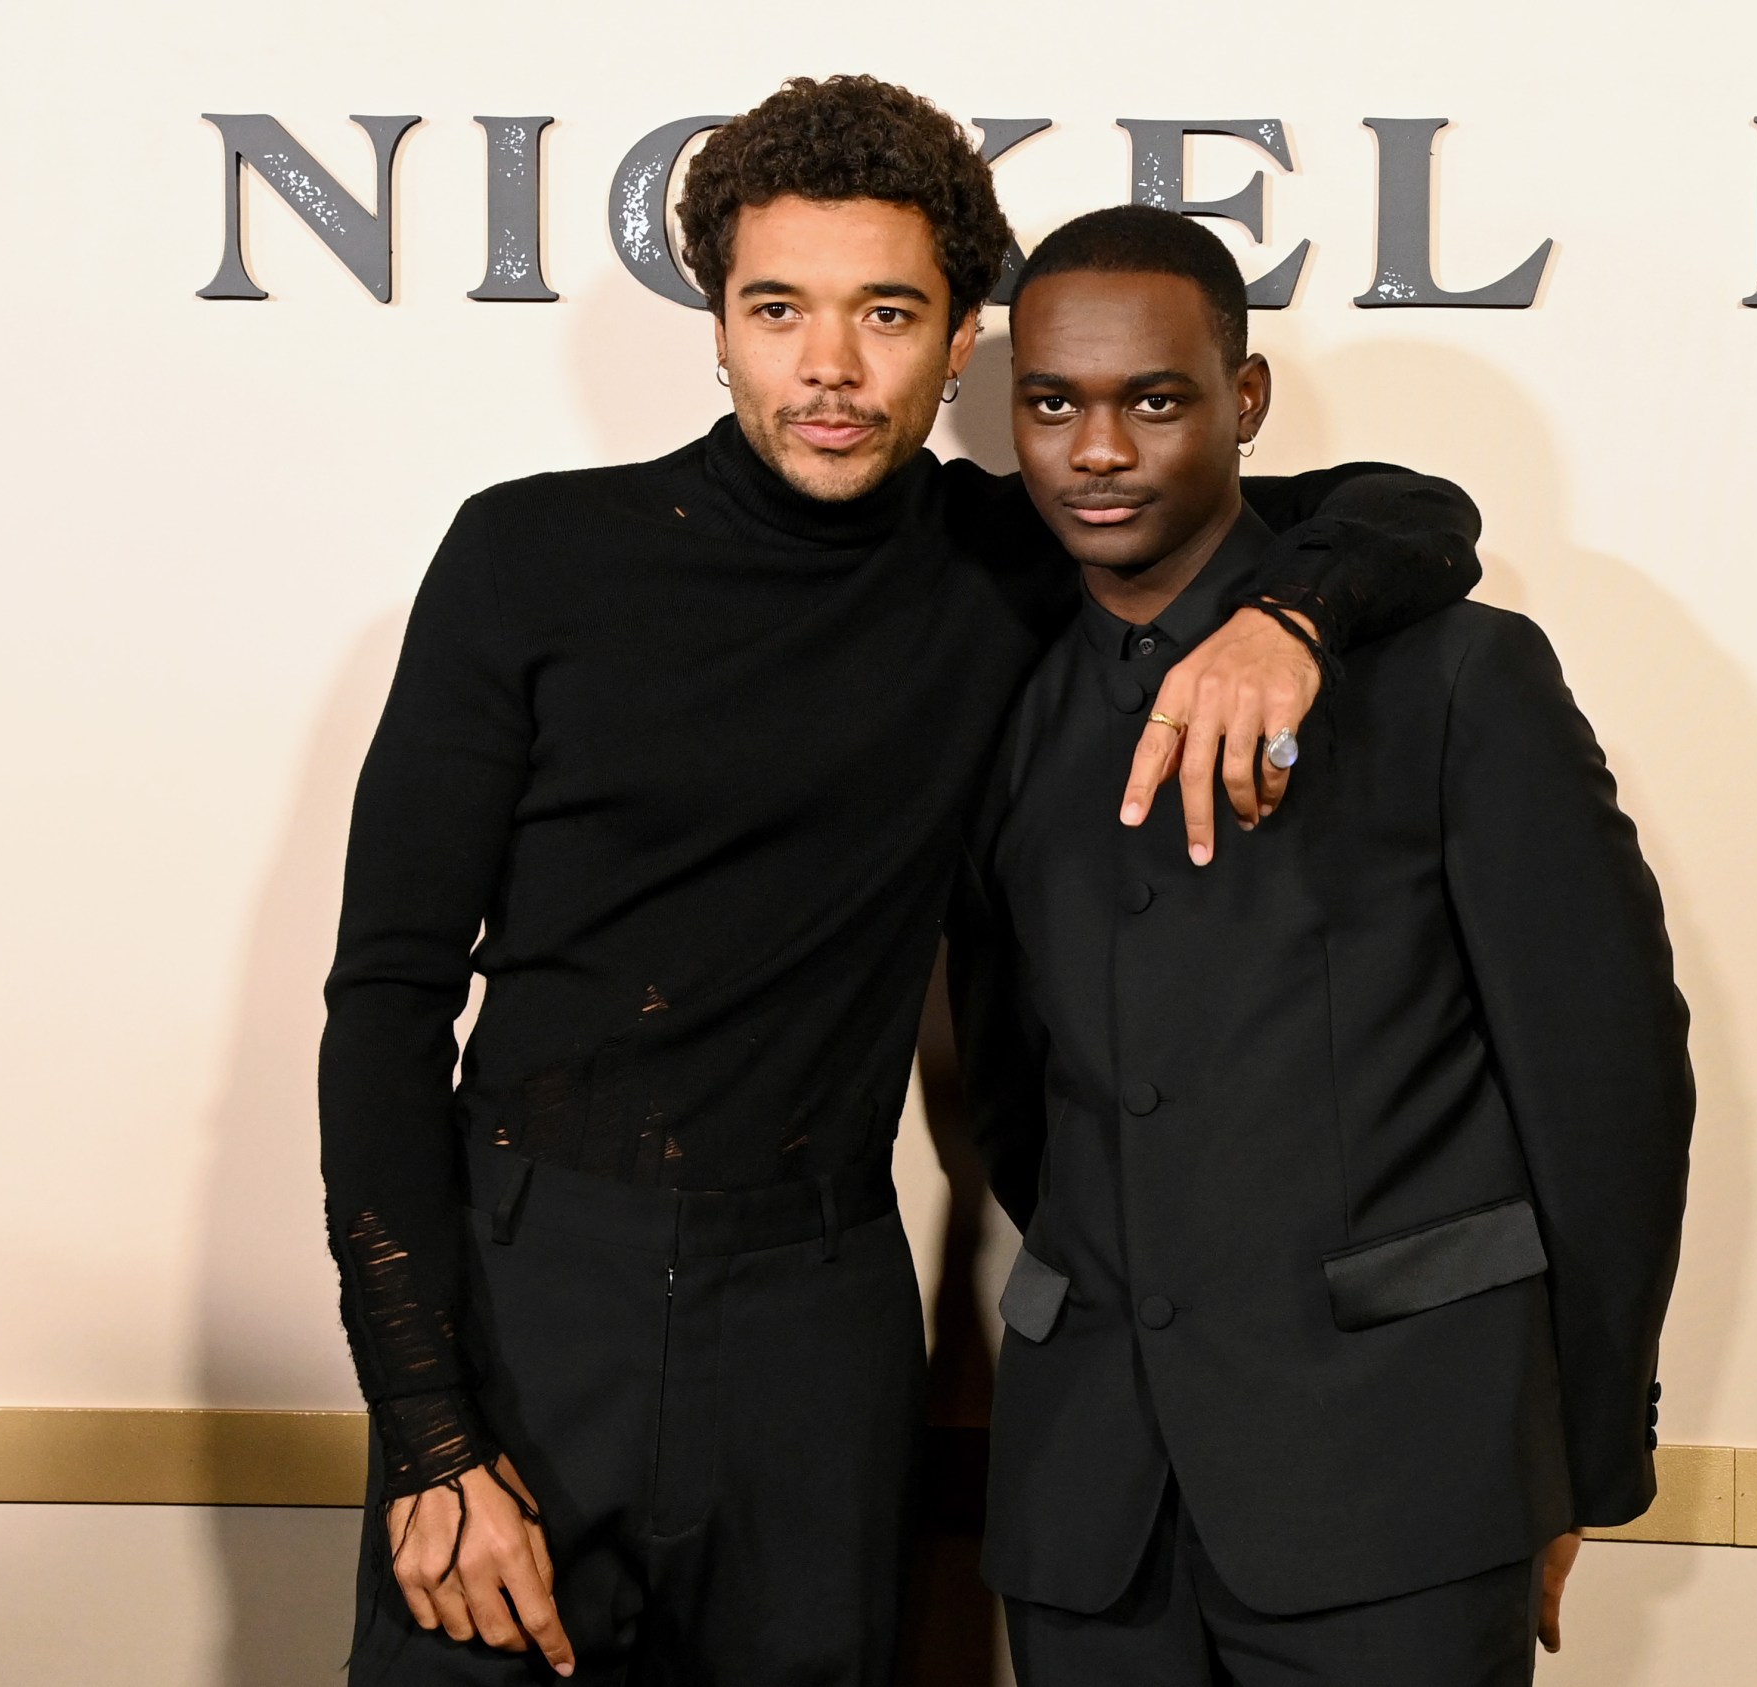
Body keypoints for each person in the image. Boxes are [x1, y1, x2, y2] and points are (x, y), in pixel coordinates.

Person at [320, 79, 1485, 1685]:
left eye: (887, 312)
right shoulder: (532, 557)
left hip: (820, 1312)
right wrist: (431, 1433)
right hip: (531, 1295)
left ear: (958, 344)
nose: (830, 366)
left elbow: (1412, 517)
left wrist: (1293, 620)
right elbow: (385, 997)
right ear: (717, 327)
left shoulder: (1008, 567)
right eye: (778, 308)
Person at [947, 204, 1694, 1686]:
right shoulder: (997, 689)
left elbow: (1610, 1098)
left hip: (1406, 1490)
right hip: (1086, 1508)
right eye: (1052, 405)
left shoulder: (1457, 679)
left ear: (1245, 402)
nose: (1098, 451)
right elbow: (1015, 1090)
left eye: (1154, 401)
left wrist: (1573, 1466)